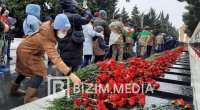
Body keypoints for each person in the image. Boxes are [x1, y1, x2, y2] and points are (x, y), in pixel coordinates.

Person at [9, 14, 82, 103]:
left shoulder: (49, 29)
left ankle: (13, 90)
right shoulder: (47, 36)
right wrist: (70, 74)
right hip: (27, 52)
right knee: (40, 73)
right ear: (56, 27)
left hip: (26, 50)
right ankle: (29, 98)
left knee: (23, 71)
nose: (65, 33)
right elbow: (56, 59)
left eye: (66, 31)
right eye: (63, 31)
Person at [58, 0, 91, 72]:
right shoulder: (73, 17)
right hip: (73, 47)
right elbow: (86, 19)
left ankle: (65, 81)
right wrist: (87, 9)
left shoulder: (61, 16)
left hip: (64, 45)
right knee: (75, 71)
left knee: (66, 68)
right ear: (71, 6)